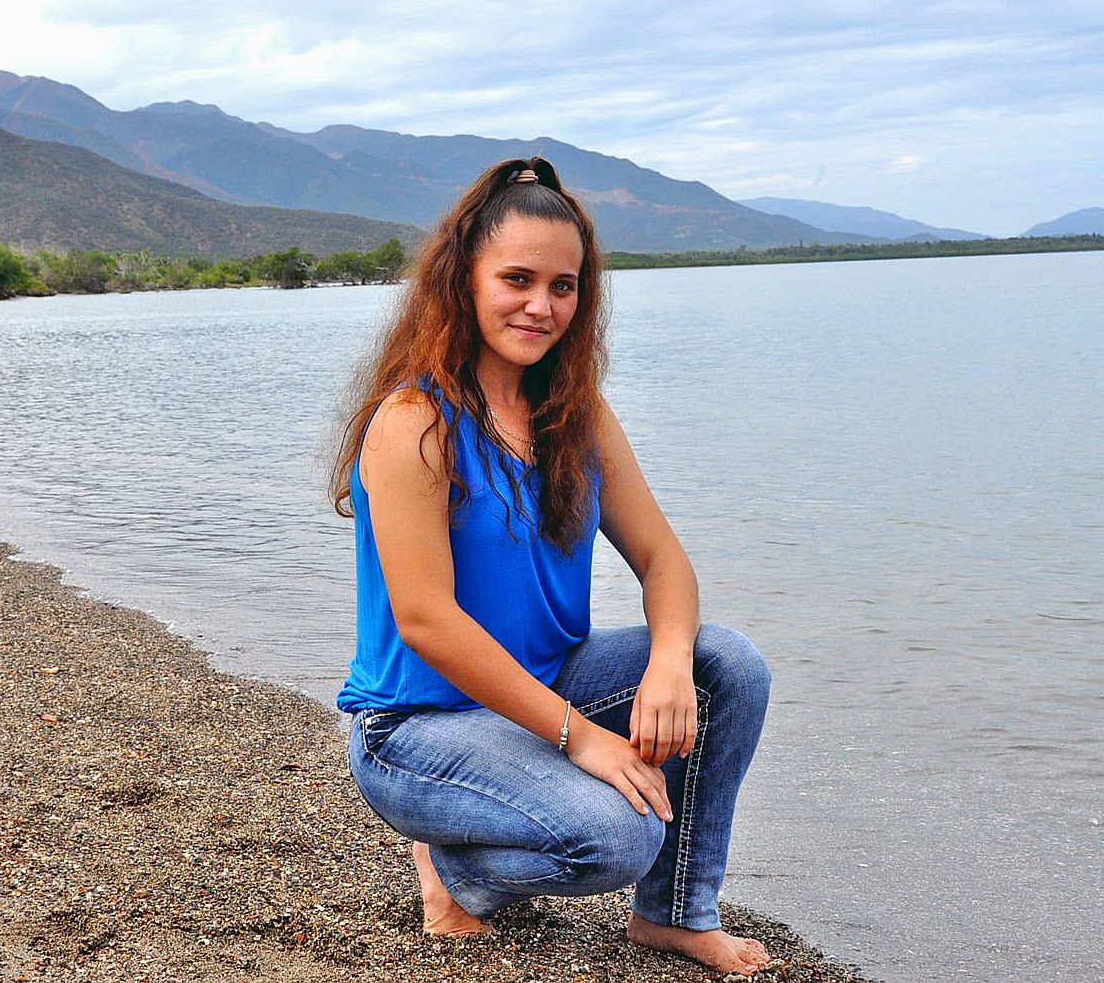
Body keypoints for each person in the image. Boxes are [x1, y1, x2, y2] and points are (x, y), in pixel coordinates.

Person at [330, 157, 774, 976]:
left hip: (547, 678)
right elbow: (426, 621)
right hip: (418, 728)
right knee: (616, 838)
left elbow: (662, 558)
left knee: (726, 664)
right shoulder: (413, 422)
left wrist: (670, 664)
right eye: (516, 279)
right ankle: (455, 869)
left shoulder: (574, 411)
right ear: (461, 280)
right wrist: (580, 741)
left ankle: (674, 915)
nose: (541, 306)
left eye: (563, 286)